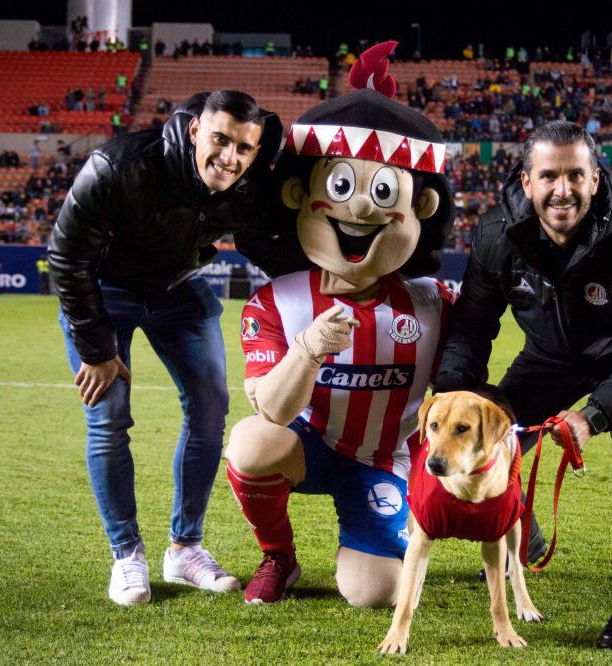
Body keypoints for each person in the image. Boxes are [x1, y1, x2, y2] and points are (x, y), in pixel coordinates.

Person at [435, 120, 612, 649]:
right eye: (549, 175)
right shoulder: (497, 236)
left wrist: (594, 415)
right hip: (548, 358)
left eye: (576, 175)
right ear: (527, 182)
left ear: (596, 179)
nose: (562, 190)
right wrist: (453, 394)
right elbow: (471, 328)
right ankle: (520, 537)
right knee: (492, 428)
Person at [225, 42, 455, 608]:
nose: (361, 212)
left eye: (384, 195)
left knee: (373, 595)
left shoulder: (435, 303)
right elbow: (273, 412)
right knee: (251, 441)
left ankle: (382, 529)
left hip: (383, 458)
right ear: (302, 199)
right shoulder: (274, 303)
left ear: (419, 208)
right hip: (306, 444)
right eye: (341, 190)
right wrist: (306, 351)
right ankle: (278, 554)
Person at [47, 90, 283, 606]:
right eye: (221, 140)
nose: (231, 158)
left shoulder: (251, 180)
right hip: (104, 291)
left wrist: (322, 279)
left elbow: (262, 240)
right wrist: (96, 347)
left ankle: (184, 550)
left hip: (176, 287)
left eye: (245, 148)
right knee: (108, 416)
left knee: (210, 408)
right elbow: (66, 257)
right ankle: (126, 554)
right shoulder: (117, 165)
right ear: (195, 129)